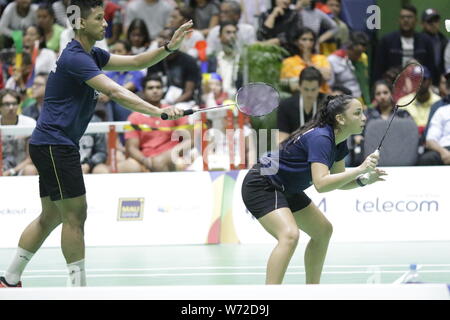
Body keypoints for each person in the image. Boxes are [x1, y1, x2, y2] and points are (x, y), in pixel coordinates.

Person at [0, 0, 191, 288]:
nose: (106, 23)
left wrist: (168, 48)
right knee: (76, 215)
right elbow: (114, 91)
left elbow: (138, 61)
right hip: (55, 144)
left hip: (52, 144)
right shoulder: (76, 58)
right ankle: (78, 289)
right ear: (80, 22)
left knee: (51, 215)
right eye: (99, 18)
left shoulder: (93, 54)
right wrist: (159, 112)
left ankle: (9, 278)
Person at [241, 94, 386, 284]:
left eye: (363, 113)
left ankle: (312, 291)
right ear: (340, 119)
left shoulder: (339, 140)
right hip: (263, 183)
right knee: (289, 235)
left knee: (323, 231)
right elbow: (321, 184)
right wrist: (360, 169)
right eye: (358, 113)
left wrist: (363, 179)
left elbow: (337, 180)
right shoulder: (322, 138)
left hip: (286, 187)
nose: (364, 117)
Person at [120, 73, 193, 173]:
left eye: (158, 87)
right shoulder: (134, 117)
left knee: (162, 162)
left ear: (163, 90)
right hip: (147, 157)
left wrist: (171, 154)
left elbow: (189, 139)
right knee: (130, 166)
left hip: (171, 155)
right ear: (143, 92)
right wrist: (146, 161)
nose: (155, 91)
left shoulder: (172, 111)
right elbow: (132, 147)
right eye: (150, 88)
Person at [373, 4, 437, 86]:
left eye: (409, 17)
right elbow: (378, 71)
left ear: (416, 20)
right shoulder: (386, 41)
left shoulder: (425, 41)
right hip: (393, 86)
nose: (406, 20)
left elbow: (432, 69)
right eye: (402, 17)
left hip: (419, 86)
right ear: (399, 20)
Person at [148, 28, 201, 105]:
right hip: (157, 102)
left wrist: (169, 105)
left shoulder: (189, 61)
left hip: (182, 103)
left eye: (165, 38)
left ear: (175, 41)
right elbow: (148, 86)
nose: (160, 41)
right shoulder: (153, 61)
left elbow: (188, 92)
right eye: (160, 37)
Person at [277, 66, 326, 143]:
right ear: (299, 87)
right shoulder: (286, 106)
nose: (309, 94)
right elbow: (281, 138)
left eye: (313, 90)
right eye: (306, 89)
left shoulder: (327, 105)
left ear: (320, 88)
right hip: (294, 150)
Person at [280, 27, 331, 94]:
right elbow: (289, 84)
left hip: (322, 95)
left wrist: (309, 63)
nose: (308, 43)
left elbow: (327, 77)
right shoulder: (288, 62)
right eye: (304, 39)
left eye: (311, 40)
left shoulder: (321, 58)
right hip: (299, 96)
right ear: (296, 42)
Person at [0, 89, 37, 177]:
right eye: (7, 104)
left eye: (14, 103)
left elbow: (31, 158)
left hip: (21, 167)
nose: (11, 107)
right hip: (2, 167)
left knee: (30, 170)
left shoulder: (29, 123)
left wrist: (11, 171)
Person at [328, 31, 371, 106]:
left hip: (360, 101)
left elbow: (364, 85)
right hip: (342, 102)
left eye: (362, 52)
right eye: (357, 53)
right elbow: (329, 86)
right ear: (348, 47)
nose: (359, 56)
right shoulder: (333, 60)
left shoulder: (362, 58)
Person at [397, 66, 440, 138]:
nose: (419, 82)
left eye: (423, 79)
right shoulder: (402, 103)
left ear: (430, 81)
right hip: (409, 140)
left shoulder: (439, 102)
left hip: (433, 142)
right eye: (416, 79)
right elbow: (399, 129)